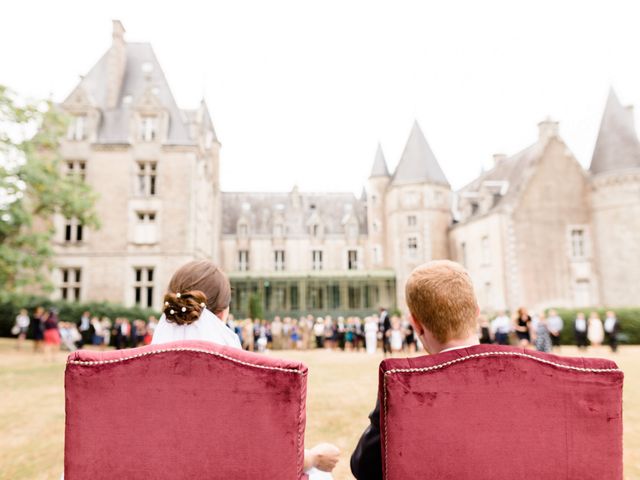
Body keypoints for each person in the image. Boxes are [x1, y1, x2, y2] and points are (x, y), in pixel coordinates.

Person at [152, 260, 339, 477]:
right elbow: (265, 453)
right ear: (223, 313)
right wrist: (314, 457)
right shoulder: (246, 379)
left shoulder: (138, 377)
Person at [351, 260, 480, 480]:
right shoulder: (539, 374)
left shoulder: (404, 384)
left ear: (416, 324)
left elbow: (364, 466)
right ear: (476, 312)